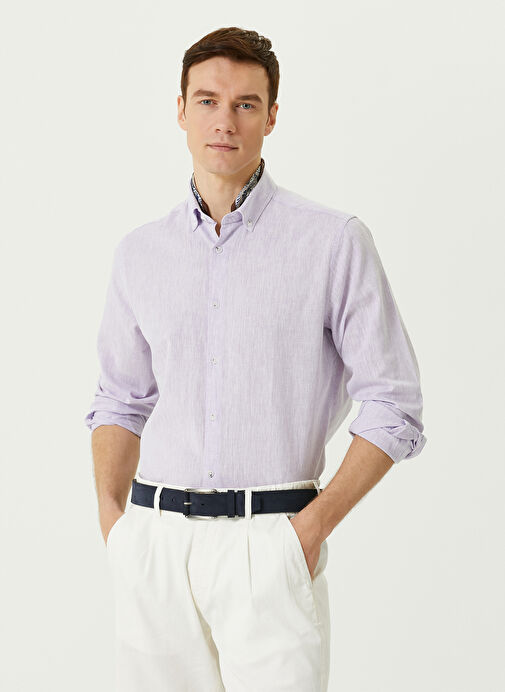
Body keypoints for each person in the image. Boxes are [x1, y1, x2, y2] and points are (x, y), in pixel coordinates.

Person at [84, 26, 427, 692]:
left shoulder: (332, 242)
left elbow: (394, 404)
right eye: (207, 101)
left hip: (271, 546)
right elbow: (120, 398)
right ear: (180, 110)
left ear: (271, 117)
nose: (225, 121)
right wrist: (114, 524)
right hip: (154, 548)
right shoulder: (140, 253)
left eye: (245, 104)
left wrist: (306, 533)